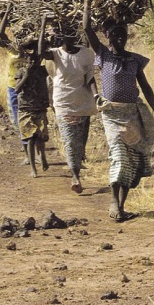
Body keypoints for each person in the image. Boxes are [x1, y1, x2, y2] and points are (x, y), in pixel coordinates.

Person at [83, 0, 154, 222]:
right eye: (115, 35)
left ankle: (121, 206)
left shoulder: (134, 60)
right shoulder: (103, 55)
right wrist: (87, 2)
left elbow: (146, 87)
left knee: (133, 159)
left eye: (123, 35)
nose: (120, 39)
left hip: (132, 114)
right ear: (108, 37)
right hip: (112, 114)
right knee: (119, 157)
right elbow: (86, 28)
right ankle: (113, 202)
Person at [45, 36, 98, 194]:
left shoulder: (87, 53)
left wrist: (96, 96)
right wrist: (42, 27)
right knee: (69, 140)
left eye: (72, 33)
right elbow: (41, 52)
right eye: (65, 34)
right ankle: (75, 176)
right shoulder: (55, 54)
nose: (69, 37)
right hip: (63, 102)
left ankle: (78, 162)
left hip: (84, 102)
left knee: (81, 140)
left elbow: (90, 77)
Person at [13, 17, 51, 178]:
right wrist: (26, 75)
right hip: (25, 108)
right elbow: (16, 89)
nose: (32, 58)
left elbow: (42, 49)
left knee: (40, 137)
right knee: (30, 138)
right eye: (29, 56)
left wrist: (42, 26)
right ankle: (33, 167)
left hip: (40, 107)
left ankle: (42, 156)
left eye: (35, 55)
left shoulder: (42, 70)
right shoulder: (21, 71)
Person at [0, 8, 29, 161]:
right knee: (16, 119)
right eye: (18, 36)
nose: (19, 39)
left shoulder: (31, 51)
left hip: (29, 89)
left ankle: (35, 152)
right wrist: (3, 16)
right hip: (13, 88)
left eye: (22, 36)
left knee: (31, 119)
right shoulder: (11, 48)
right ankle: (27, 151)